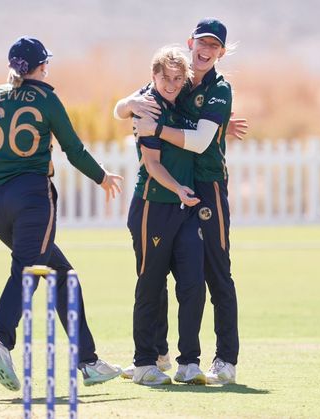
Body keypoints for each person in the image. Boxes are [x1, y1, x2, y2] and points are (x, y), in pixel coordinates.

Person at [0, 36, 123, 391]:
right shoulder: (47, 99)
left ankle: (88, 361)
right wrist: (102, 177)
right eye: (46, 64)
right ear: (40, 67)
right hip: (33, 201)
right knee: (29, 271)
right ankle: (0, 339)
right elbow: (73, 149)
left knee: (62, 276)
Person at [115, 18, 246, 385]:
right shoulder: (178, 77)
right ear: (191, 43)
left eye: (214, 45)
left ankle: (225, 359)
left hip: (208, 186)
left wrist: (157, 129)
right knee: (156, 274)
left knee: (216, 270)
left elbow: (202, 142)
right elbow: (127, 106)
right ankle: (155, 354)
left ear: (222, 51)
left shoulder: (220, 87)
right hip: (174, 190)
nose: (206, 50)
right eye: (201, 42)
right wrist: (127, 106)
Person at [126, 45, 208, 386]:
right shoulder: (147, 105)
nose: (172, 84)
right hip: (153, 207)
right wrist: (178, 189)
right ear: (153, 76)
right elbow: (153, 164)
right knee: (151, 285)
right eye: (165, 78)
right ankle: (145, 362)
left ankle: (188, 362)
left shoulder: (185, 98)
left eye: (178, 78)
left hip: (183, 208)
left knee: (192, 284)